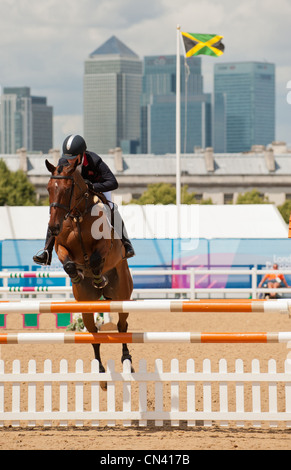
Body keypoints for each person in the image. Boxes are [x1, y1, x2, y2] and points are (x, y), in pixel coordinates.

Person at [33, 134, 135, 265]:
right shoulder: (63, 162)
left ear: (82, 154)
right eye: (68, 158)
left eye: (74, 158)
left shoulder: (94, 160)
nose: (70, 161)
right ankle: (47, 251)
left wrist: (92, 186)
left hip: (97, 189)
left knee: (112, 208)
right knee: (56, 210)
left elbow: (113, 182)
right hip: (77, 194)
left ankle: (126, 243)